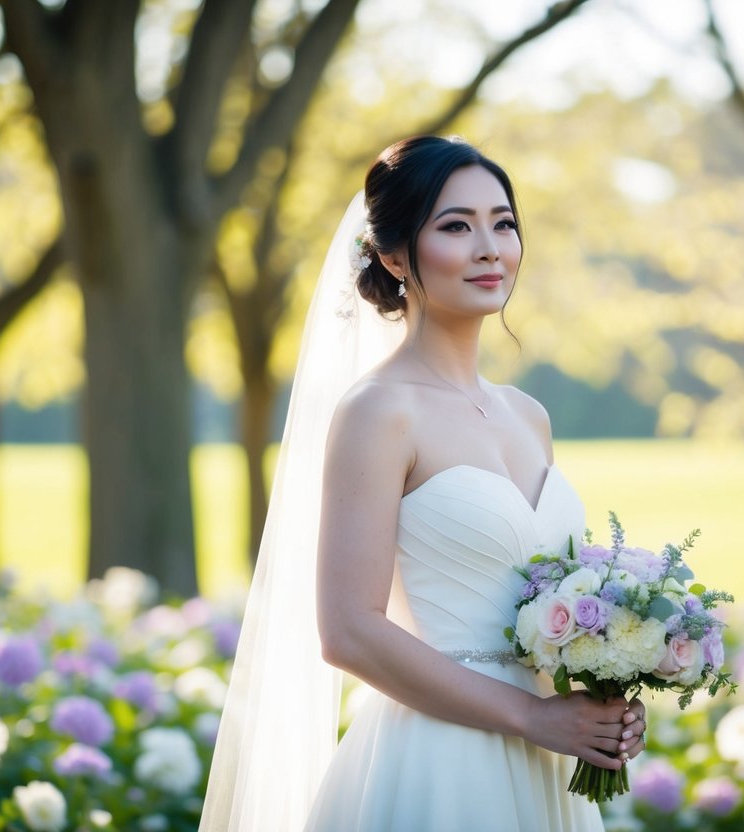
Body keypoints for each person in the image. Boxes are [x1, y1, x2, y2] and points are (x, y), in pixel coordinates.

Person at [201, 136, 647, 832]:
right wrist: (528, 715)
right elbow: (348, 631)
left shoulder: (528, 417)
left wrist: (607, 692)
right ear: (392, 254)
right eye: (454, 226)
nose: (488, 247)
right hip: (441, 761)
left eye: (502, 223)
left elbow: (550, 606)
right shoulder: (378, 411)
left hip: (546, 768)